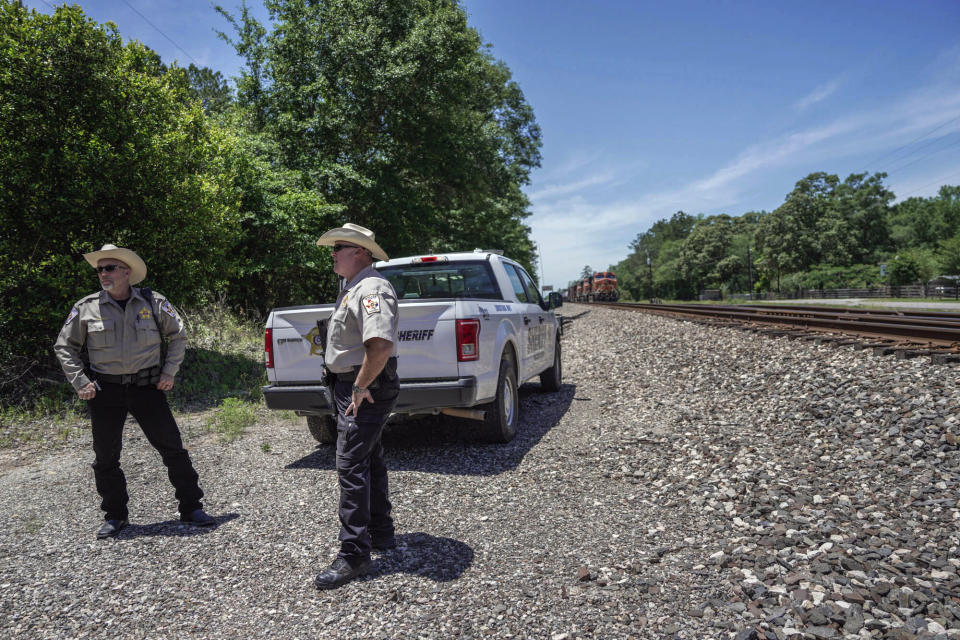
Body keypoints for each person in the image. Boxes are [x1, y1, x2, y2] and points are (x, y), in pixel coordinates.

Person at [54, 244, 215, 539]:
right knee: (106, 457)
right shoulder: (86, 307)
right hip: (105, 391)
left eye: (109, 268)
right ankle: (115, 516)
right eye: (100, 269)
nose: (103, 274)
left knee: (172, 449)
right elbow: (65, 346)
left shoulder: (152, 302)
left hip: (147, 387)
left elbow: (178, 336)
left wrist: (169, 372)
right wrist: (80, 381)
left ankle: (192, 507)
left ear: (126, 272)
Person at [313, 223, 400, 589]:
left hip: (362, 387)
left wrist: (361, 386)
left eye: (341, 247)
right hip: (351, 385)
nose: (333, 253)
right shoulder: (353, 288)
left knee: (350, 465)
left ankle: (354, 554)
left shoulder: (371, 288)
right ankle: (380, 533)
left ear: (361, 253)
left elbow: (379, 345)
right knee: (369, 458)